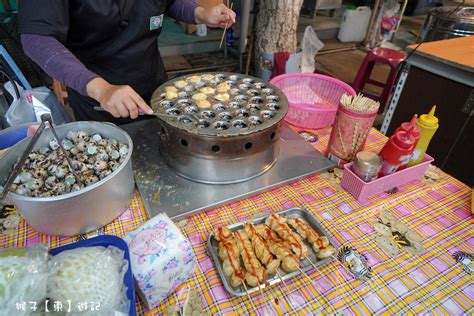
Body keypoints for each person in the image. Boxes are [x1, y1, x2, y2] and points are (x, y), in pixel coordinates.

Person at [18, 0, 236, 124]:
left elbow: (168, 3)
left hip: (154, 82)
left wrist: (200, 13)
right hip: (98, 94)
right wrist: (102, 90)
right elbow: (37, 38)